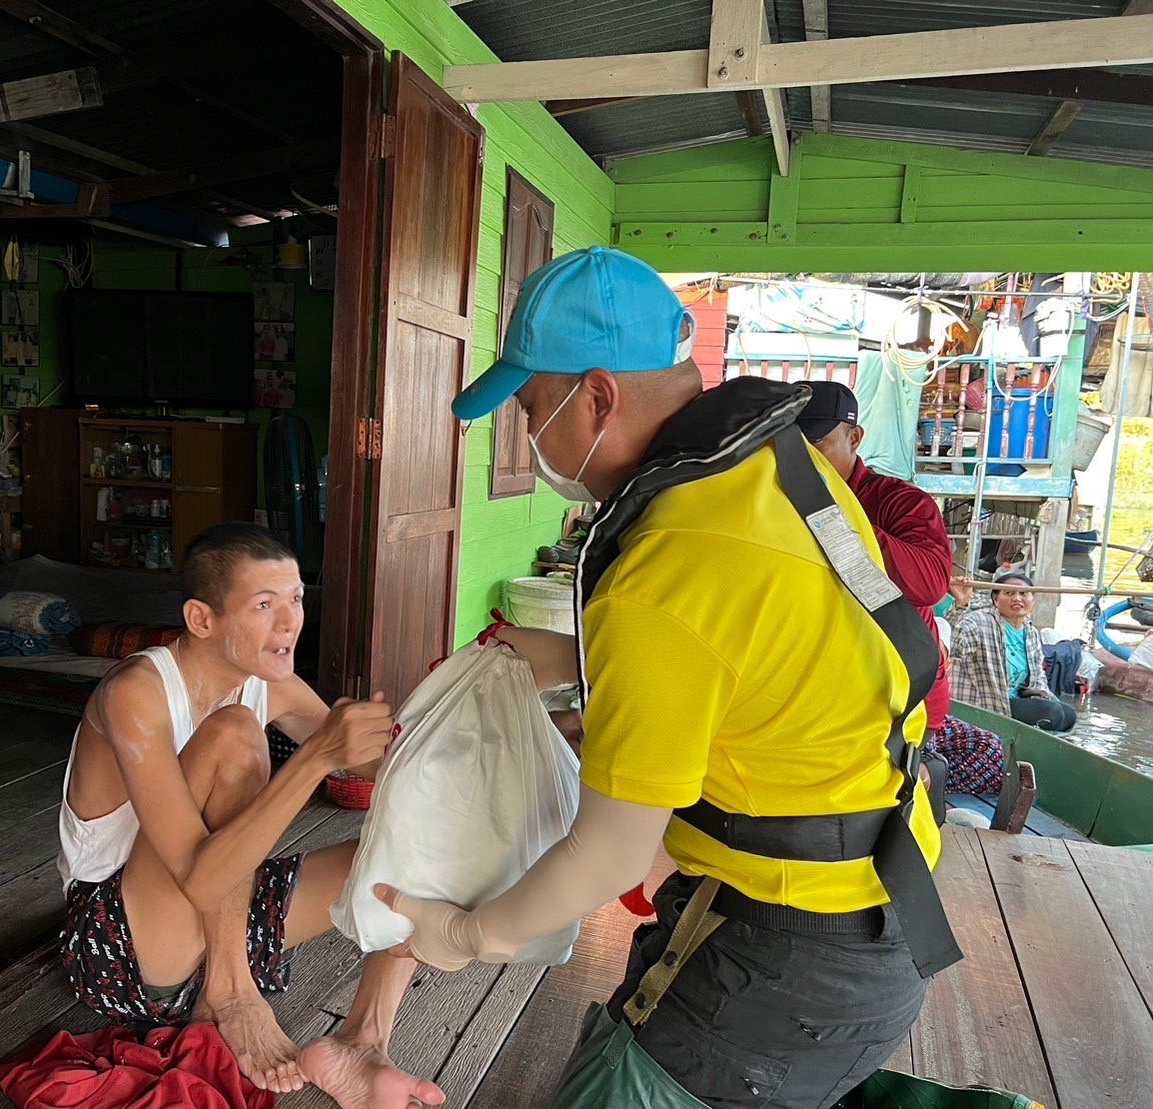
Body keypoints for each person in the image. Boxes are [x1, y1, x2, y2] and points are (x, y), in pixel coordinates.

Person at [378, 247, 955, 1109]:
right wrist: (569, 661)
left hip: (770, 964)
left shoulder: (663, 567)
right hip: (883, 920)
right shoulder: (776, 475)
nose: (525, 435)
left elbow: (605, 850)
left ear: (598, 396)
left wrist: (464, 934)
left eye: (532, 408)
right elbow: (763, 647)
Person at [57, 523, 444, 1109]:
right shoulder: (137, 692)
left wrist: (481, 736)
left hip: (227, 919)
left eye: (295, 599)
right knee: (235, 734)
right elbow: (198, 876)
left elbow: (387, 768)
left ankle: (363, 1043)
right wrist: (314, 759)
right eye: (265, 604)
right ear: (201, 620)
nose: (290, 622)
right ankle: (232, 994)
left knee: (424, 855)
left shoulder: (273, 684)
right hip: (124, 946)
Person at [799, 381, 955, 767]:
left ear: (854, 438)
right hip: (823, 689)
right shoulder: (779, 500)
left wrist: (834, 523)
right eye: (791, 446)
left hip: (901, 698)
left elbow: (931, 582)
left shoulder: (902, 503)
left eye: (816, 446)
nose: (802, 459)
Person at [946, 569, 1077, 732]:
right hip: (988, 705)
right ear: (995, 599)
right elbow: (952, 647)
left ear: (1033, 599)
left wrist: (1044, 698)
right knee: (1053, 713)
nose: (1017, 598)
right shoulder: (979, 621)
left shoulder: (1031, 633)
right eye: (1008, 593)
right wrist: (961, 605)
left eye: (1024, 593)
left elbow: (1038, 678)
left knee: (1069, 714)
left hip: (1017, 701)